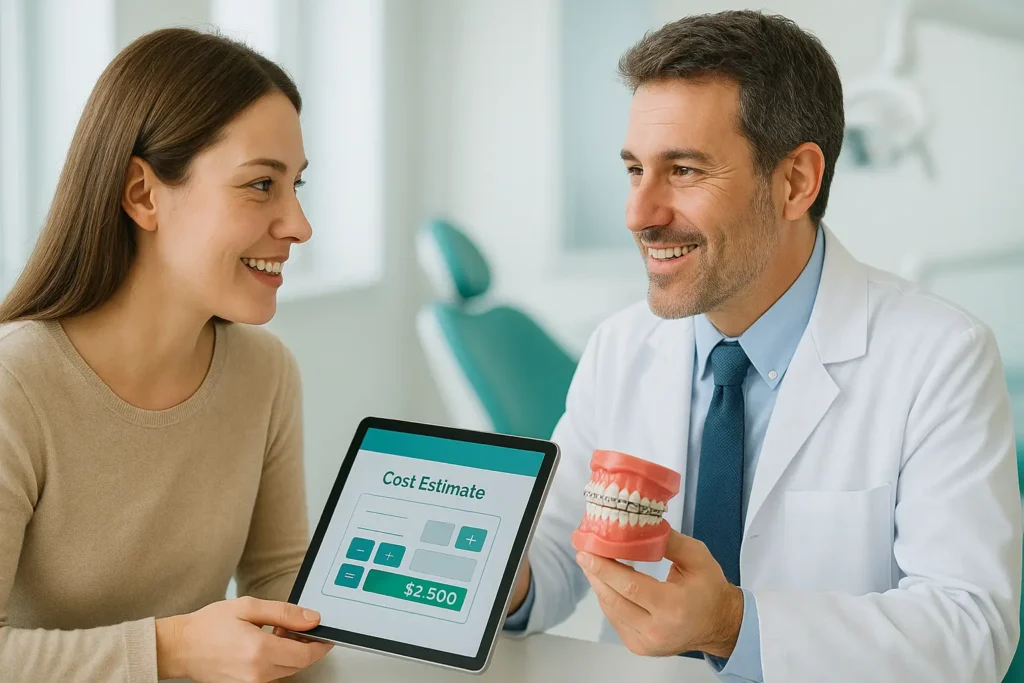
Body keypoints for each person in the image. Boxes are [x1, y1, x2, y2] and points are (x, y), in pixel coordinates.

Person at [503, 10, 1021, 682]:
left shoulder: (940, 357)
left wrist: (732, 624)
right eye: (636, 170)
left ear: (796, 181)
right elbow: (553, 548)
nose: (639, 213)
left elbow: (970, 627)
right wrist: (497, 573)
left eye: (683, 170)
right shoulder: (622, 345)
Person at [0, 28, 334, 682]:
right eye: (262, 184)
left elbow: (278, 577)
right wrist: (170, 649)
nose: (298, 224)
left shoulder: (265, 374)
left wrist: (403, 590)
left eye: (297, 185)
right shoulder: (16, 386)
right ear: (143, 194)